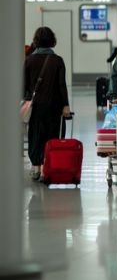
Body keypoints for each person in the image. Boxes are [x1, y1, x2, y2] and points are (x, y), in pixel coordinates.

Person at [24, 27, 71, 181]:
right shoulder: (57, 60)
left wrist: (26, 102)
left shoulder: (29, 60)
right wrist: (66, 105)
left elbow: (24, 86)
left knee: (35, 135)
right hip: (54, 106)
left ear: (36, 40)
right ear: (52, 40)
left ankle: (36, 169)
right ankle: (46, 170)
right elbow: (61, 85)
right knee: (52, 136)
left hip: (35, 106)